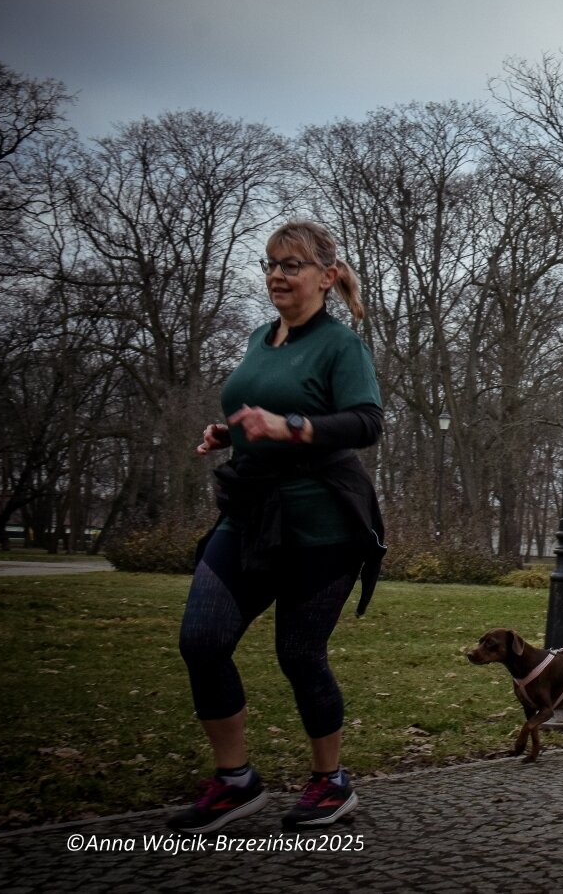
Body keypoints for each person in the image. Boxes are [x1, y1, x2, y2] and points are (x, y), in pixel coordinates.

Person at [169, 220, 385, 835]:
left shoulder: (341, 345)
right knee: (202, 640)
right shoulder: (260, 338)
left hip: (323, 525)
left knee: (299, 654)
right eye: (270, 264)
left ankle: (330, 781)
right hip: (251, 513)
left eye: (291, 265)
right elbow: (260, 408)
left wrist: (291, 427)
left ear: (327, 275)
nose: (277, 276)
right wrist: (232, 433)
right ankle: (235, 780)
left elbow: (367, 422)